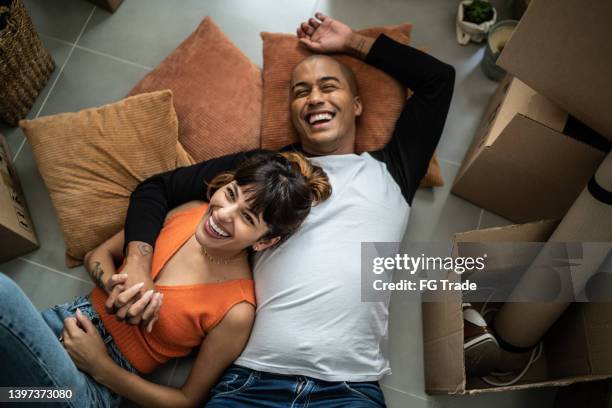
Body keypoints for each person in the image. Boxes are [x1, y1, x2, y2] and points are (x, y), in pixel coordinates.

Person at [114, 12, 455, 407]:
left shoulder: (393, 168)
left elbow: (439, 80)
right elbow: (156, 188)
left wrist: (352, 43)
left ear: (357, 105)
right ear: (293, 112)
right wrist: (137, 262)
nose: (314, 98)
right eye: (300, 91)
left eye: (329, 87)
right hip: (250, 382)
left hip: (348, 389)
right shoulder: (265, 172)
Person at [0, 151, 331, 408]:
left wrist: (101, 366)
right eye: (231, 195)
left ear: (264, 241)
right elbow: (97, 255)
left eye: (246, 218)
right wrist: (118, 289)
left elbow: (187, 401)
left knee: (3, 295)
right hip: (49, 332)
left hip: (87, 390)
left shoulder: (237, 310)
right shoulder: (187, 211)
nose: (222, 215)